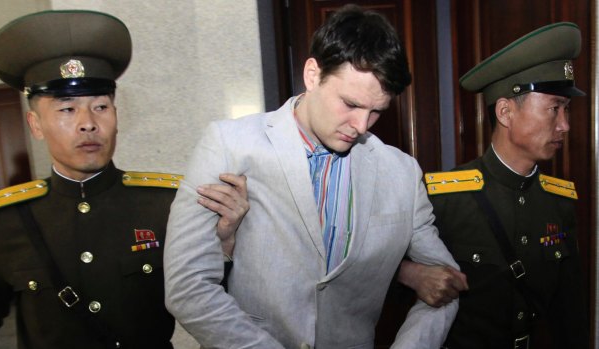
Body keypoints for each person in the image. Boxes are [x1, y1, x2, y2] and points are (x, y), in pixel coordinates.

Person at [164, 5, 460, 348]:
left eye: (376, 111)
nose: (361, 127)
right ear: (312, 74)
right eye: (350, 104)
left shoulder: (402, 173)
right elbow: (188, 285)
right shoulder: (229, 144)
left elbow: (445, 284)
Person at [0, 10, 248, 349]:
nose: (88, 123)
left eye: (101, 107)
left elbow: (213, 307)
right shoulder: (4, 221)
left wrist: (224, 244)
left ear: (116, 117)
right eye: (66, 109)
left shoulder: (164, 204)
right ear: (35, 125)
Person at [400, 22, 589, 348]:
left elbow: (568, 311)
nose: (565, 125)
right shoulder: (445, 198)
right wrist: (410, 274)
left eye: (566, 110)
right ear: (505, 111)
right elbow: (374, 272)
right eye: (554, 109)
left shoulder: (559, 201)